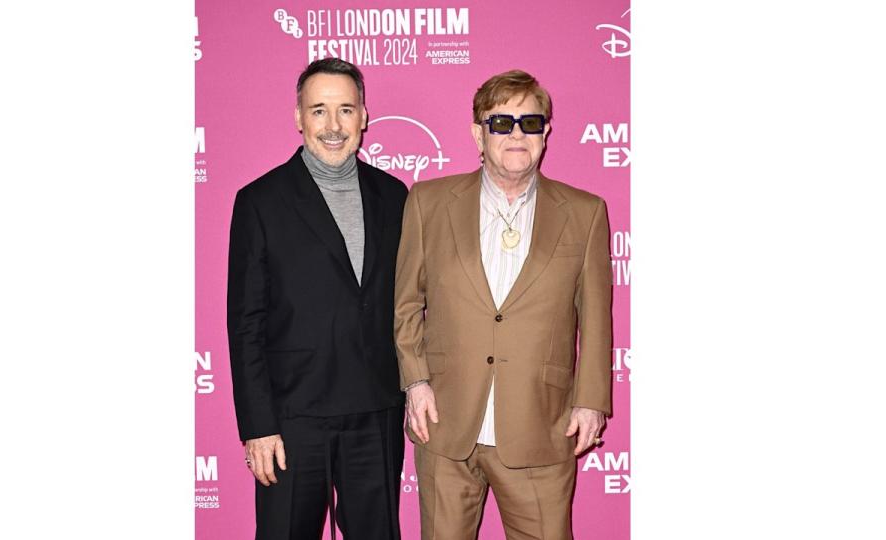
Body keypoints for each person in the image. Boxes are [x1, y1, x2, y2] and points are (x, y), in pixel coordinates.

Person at [394, 70, 613, 540]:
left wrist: (592, 401)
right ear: (478, 132)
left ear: (546, 133)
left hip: (542, 426)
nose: (517, 134)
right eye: (501, 123)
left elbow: (596, 318)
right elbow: (406, 304)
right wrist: (415, 382)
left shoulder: (586, 212)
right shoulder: (428, 203)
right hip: (446, 426)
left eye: (531, 123)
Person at [227, 57, 408, 540]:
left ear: (364, 117)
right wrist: (257, 426)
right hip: (291, 420)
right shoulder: (260, 201)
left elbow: (410, 304)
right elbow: (245, 323)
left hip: (376, 410)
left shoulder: (395, 197)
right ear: (298, 117)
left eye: (346, 110)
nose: (333, 126)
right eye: (319, 110)